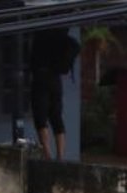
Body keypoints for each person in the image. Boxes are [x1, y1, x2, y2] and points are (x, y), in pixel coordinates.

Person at [30, 28, 81, 160]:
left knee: (41, 117)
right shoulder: (62, 36)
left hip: (41, 76)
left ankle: (47, 154)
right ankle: (60, 156)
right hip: (56, 79)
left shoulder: (41, 32)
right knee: (56, 117)